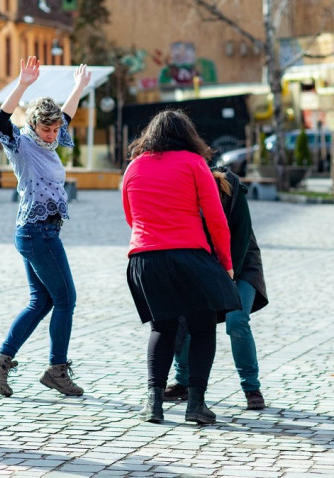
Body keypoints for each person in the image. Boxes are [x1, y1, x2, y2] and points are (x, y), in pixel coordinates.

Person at [0, 57, 90, 398]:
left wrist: (78, 88)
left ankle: (0, 360)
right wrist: (23, 84)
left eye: (57, 129)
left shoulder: (49, 141)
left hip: (39, 232)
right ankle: (57, 369)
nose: (54, 134)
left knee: (41, 301)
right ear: (34, 125)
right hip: (36, 231)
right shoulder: (22, 144)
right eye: (48, 129)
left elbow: (66, 114)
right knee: (66, 299)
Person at [122, 109, 241, 425]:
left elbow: (131, 217)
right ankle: (196, 405)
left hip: (144, 259)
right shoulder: (194, 163)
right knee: (203, 326)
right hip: (188, 256)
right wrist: (226, 264)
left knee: (162, 327)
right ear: (187, 135)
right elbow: (216, 219)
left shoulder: (133, 167)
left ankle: (154, 404)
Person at [163, 166, 269, 410]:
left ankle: (251, 387)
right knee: (184, 317)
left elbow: (241, 239)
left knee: (236, 321)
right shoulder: (184, 193)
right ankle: (183, 382)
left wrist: (228, 277)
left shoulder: (232, 192)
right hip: (206, 266)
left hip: (242, 265)